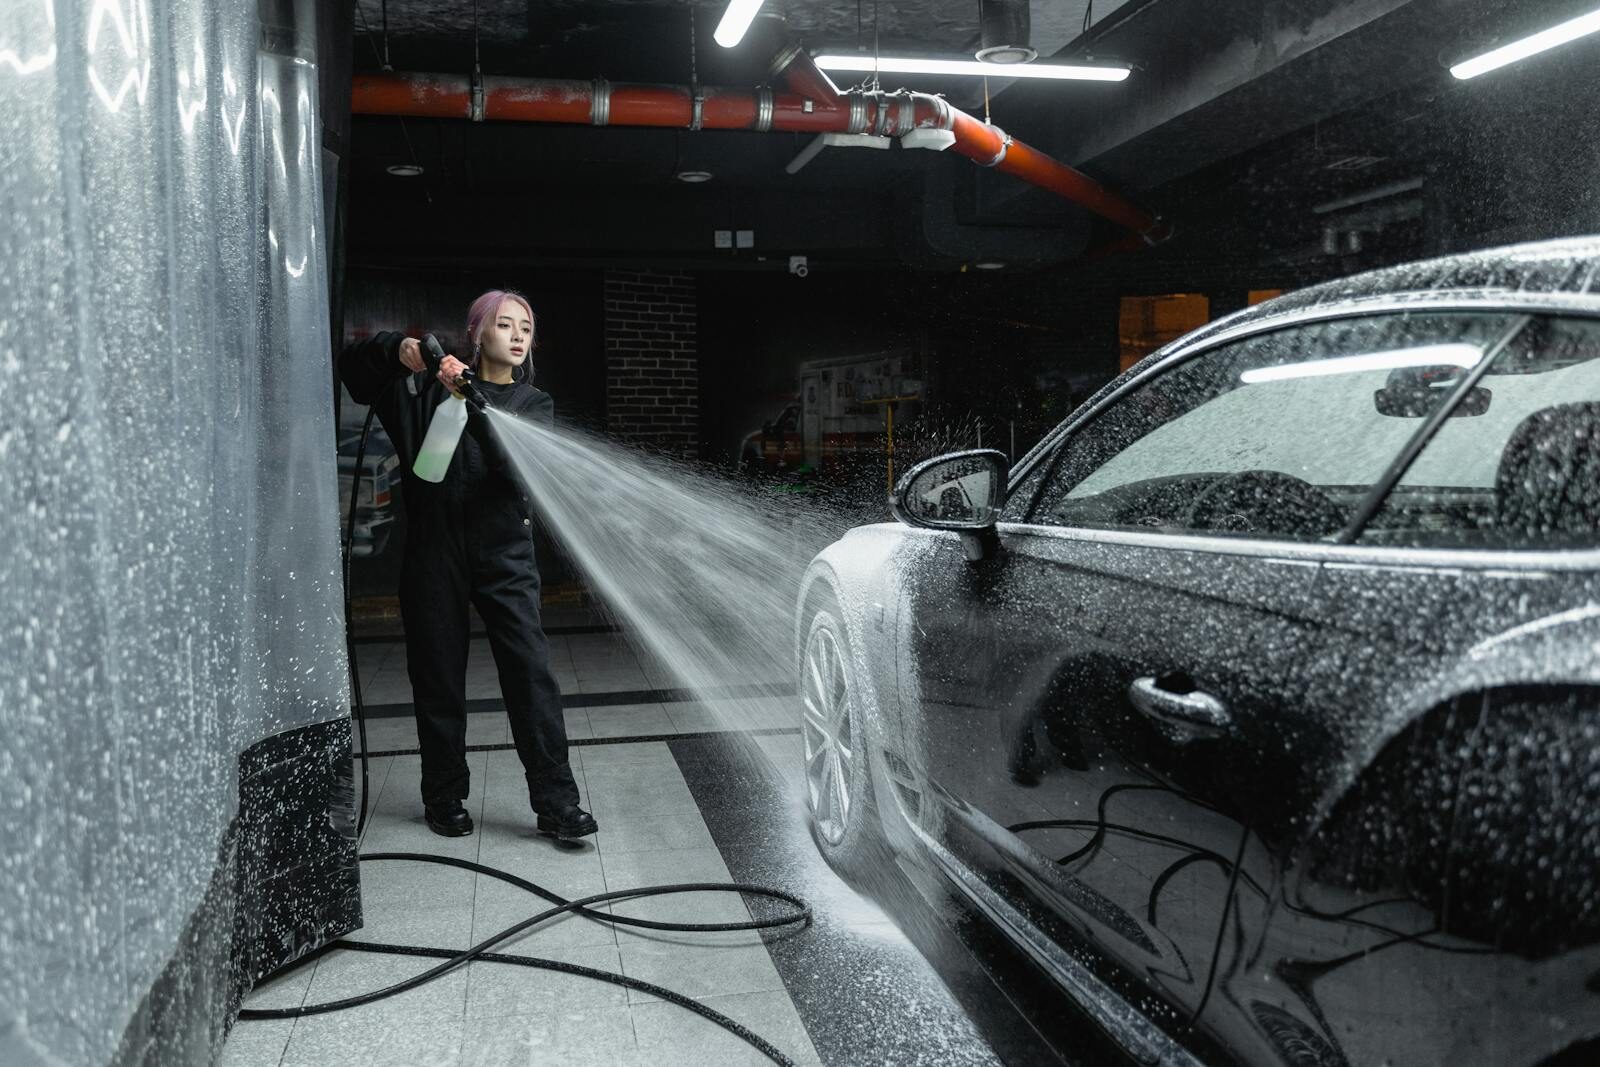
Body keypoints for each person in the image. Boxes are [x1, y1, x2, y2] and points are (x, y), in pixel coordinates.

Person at [339, 289, 597, 842]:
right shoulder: (420, 397)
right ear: (477, 334)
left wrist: (472, 398)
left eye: (526, 326)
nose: (518, 334)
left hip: (505, 555)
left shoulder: (533, 406)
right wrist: (397, 349)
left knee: (531, 676)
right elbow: (354, 372)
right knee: (437, 678)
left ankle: (557, 802)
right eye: (504, 324)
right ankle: (445, 797)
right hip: (434, 554)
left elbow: (516, 470)